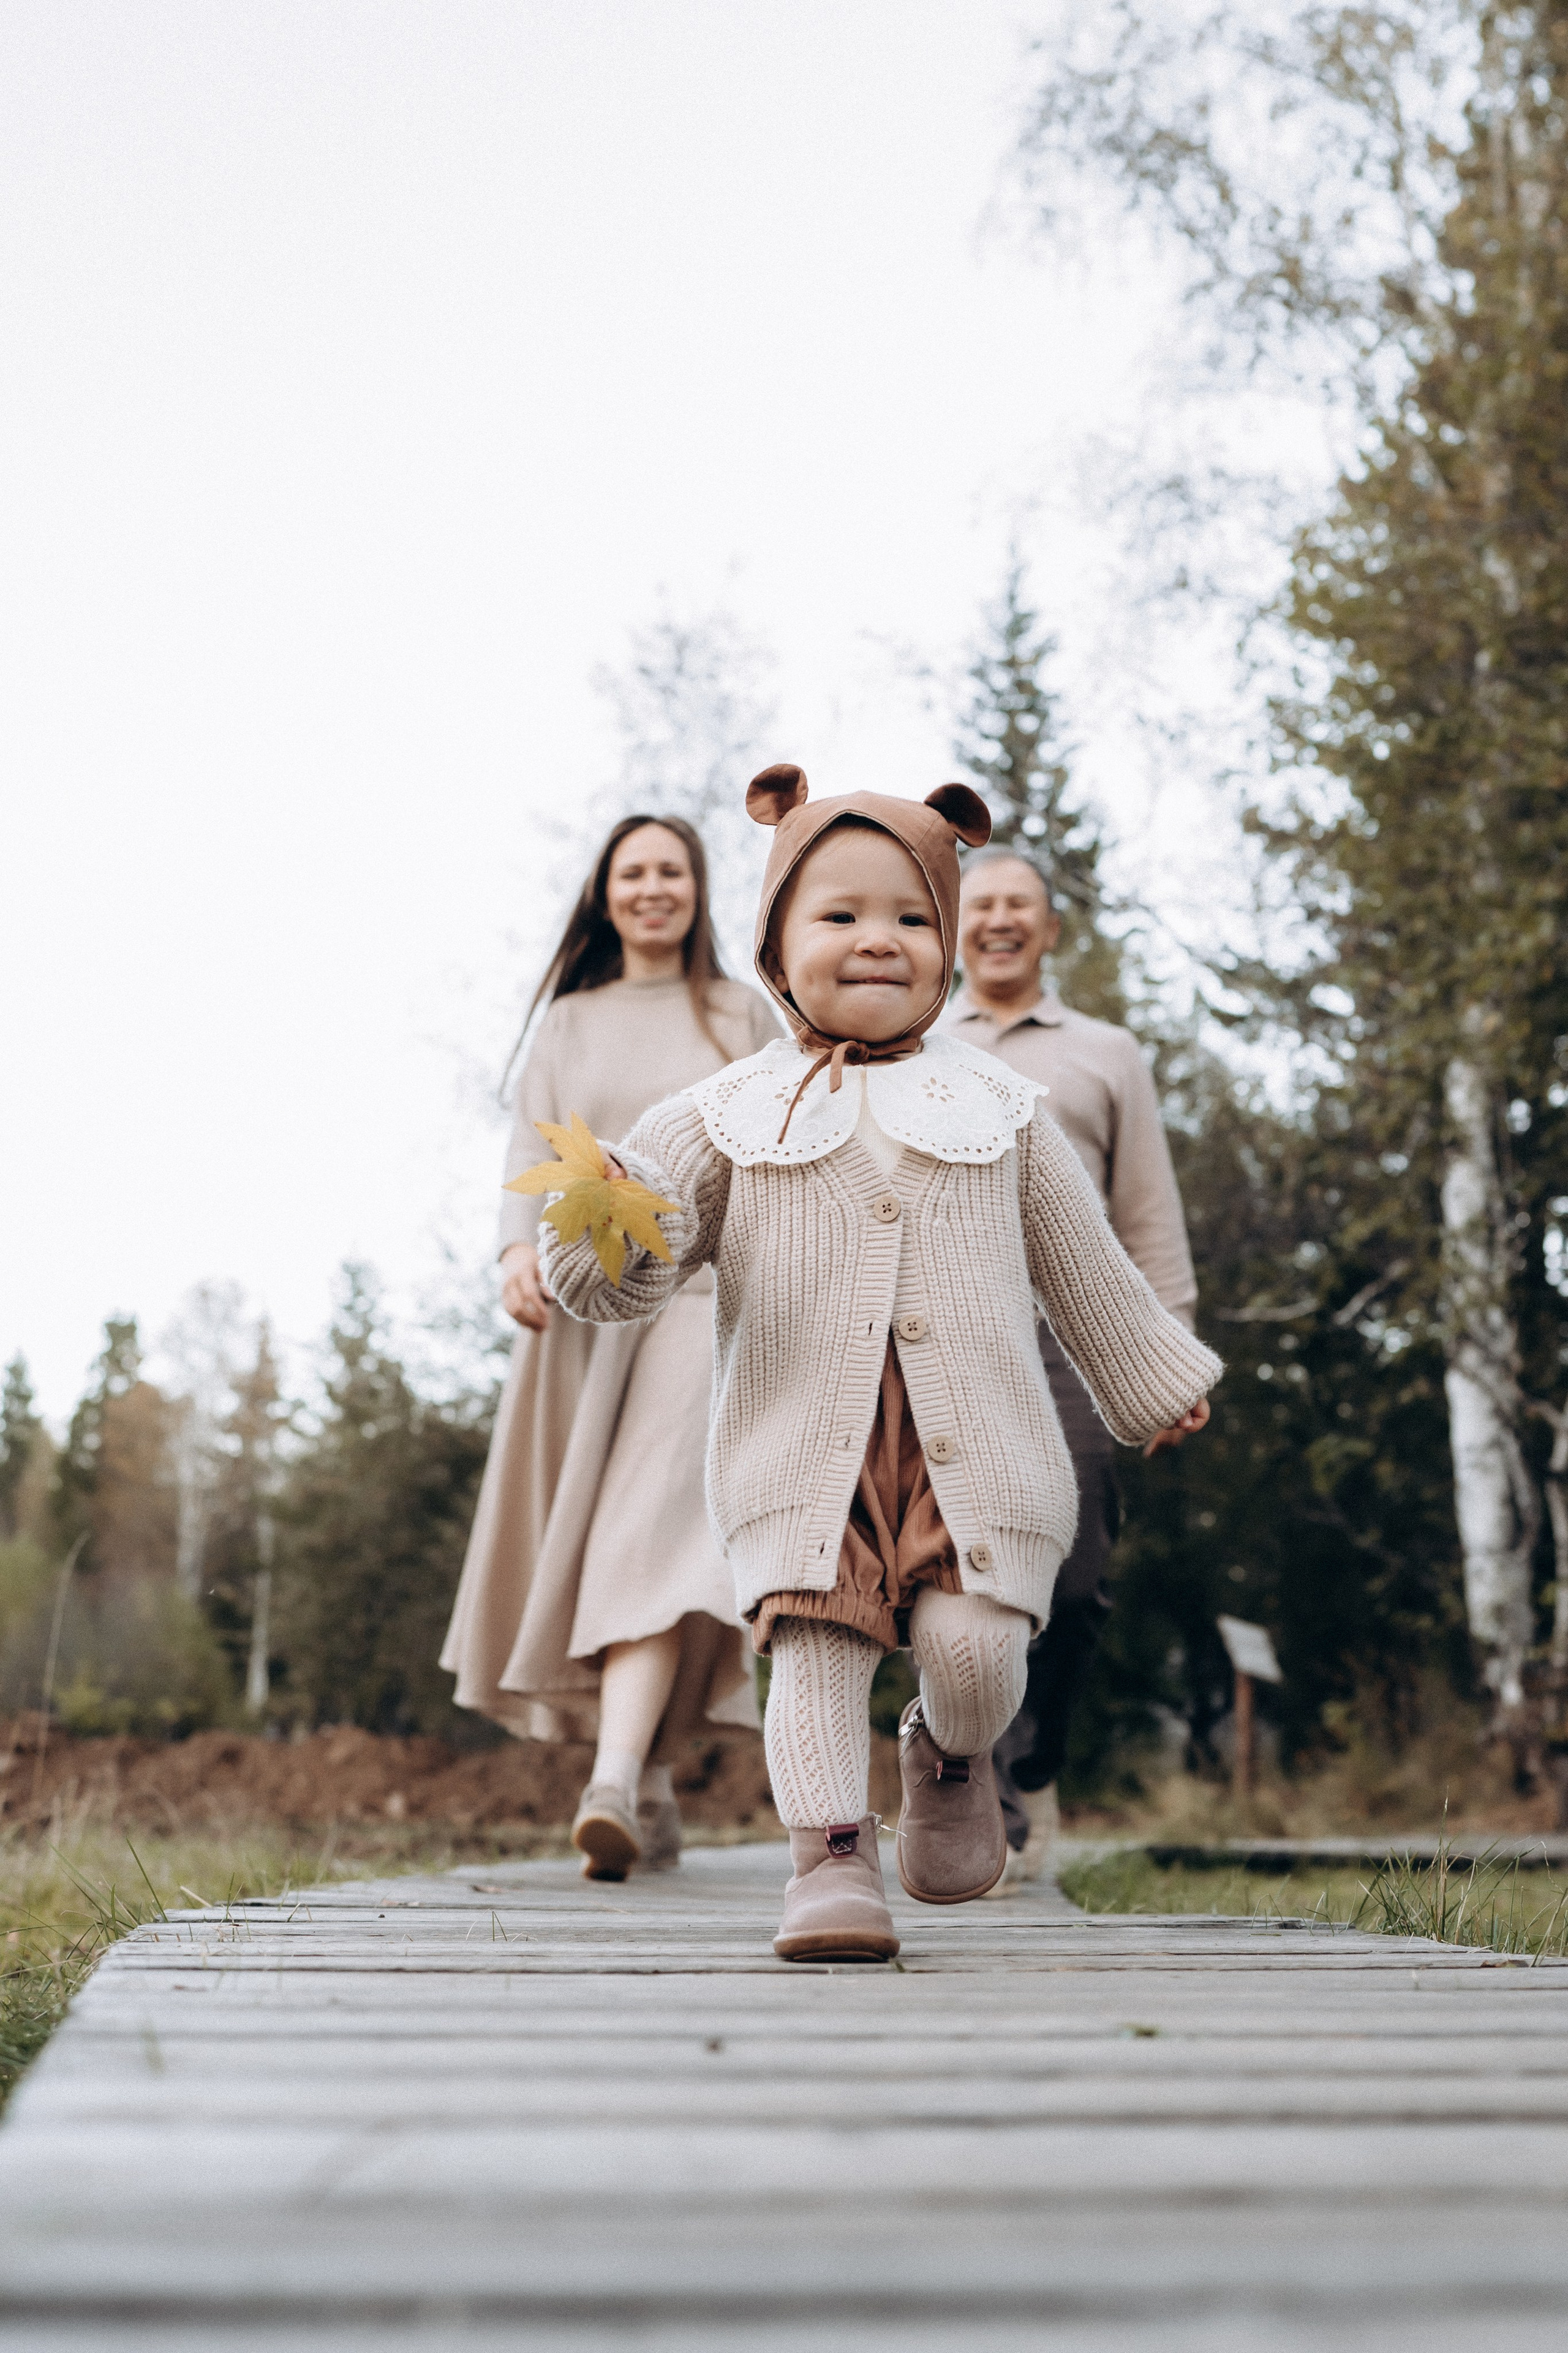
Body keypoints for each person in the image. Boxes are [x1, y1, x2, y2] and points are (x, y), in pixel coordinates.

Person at [537, 766, 1219, 1962]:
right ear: (774, 944)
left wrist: (1152, 1377)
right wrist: (603, 1228)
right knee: (815, 1650)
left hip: (981, 1448)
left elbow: (1082, 1263)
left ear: (944, 949)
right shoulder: (724, 1113)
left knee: (973, 1650)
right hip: (800, 1450)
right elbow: (631, 1260)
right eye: (840, 915)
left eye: (911, 918)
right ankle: (830, 1862)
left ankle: (948, 1751)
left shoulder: (1000, 1105)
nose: (877, 940)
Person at [439, 813, 779, 1880]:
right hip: (584, 1308)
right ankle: (655, 1780)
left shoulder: (741, 1013)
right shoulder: (569, 1022)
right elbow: (527, 1147)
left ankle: (613, 1779)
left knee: (655, 1533)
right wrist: (515, 1252)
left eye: (672, 870)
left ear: (699, 888)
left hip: (699, 1300)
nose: (653, 888)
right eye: (634, 872)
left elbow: (779, 1149)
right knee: (600, 1540)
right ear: (605, 892)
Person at [942, 847, 1200, 1881]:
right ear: (952, 926)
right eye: (980, 904)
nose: (999, 919)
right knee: (956, 1572)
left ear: (1050, 930)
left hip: (1078, 1338)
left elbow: (1148, 1212)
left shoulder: (1107, 1052)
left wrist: (1168, 1358)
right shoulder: (917, 1044)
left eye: (1020, 905)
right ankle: (983, 1799)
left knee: (1079, 1575)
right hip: (949, 1334)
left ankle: (1034, 1757)